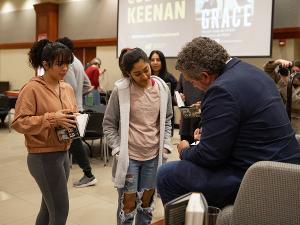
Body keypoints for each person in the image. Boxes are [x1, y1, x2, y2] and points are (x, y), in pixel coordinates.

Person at [156, 37, 300, 209]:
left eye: (192, 82)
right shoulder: (252, 72)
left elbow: (210, 157)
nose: (194, 86)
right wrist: (209, 135)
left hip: (258, 177)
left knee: (166, 174)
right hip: (285, 169)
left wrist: (185, 149)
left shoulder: (221, 90)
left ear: (205, 76)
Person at [103, 48, 173, 225]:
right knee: (127, 208)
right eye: (137, 73)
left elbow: (167, 119)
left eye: (146, 70)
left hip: (153, 157)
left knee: (147, 207)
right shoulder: (121, 90)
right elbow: (109, 123)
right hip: (130, 158)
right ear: (128, 74)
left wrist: (165, 146)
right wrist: (118, 149)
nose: (144, 76)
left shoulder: (162, 88)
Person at [12, 39, 77, 225]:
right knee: (60, 210)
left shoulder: (67, 88)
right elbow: (18, 122)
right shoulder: (32, 89)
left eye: (67, 63)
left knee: (49, 210)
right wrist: (51, 118)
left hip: (63, 153)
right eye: (60, 64)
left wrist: (74, 120)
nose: (64, 68)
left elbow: (70, 115)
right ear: (46, 64)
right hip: (43, 157)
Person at [56, 37, 97, 188]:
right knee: (69, 143)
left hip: (69, 109)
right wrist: (79, 97)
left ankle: (89, 174)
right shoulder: (78, 61)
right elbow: (88, 85)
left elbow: (69, 85)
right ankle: (65, 175)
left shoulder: (66, 63)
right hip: (76, 107)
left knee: (73, 143)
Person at [264, 59, 300, 133]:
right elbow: (268, 70)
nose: (295, 75)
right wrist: (278, 62)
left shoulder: (285, 81)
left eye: (297, 72)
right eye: (293, 72)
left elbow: (295, 102)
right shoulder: (286, 79)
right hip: (281, 124)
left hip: (296, 128)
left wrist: (285, 83)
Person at [149, 50, 177, 135]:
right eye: (152, 60)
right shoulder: (146, 78)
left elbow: (176, 99)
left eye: (158, 60)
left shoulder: (170, 78)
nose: (155, 62)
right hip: (149, 115)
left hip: (166, 116)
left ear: (162, 62)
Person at [176, 73, 205, 144]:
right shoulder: (183, 74)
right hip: (186, 121)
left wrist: (203, 103)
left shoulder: (207, 73)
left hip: (202, 121)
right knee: (185, 150)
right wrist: (179, 97)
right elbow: (177, 92)